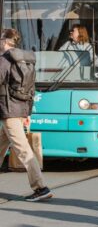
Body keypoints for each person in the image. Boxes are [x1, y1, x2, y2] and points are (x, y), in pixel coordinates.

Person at [0, 29, 53, 202]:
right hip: (18, 110)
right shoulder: (25, 59)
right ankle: (41, 187)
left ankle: (41, 188)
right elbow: (31, 89)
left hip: (9, 112)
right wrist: (27, 112)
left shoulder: (6, 59)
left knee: (23, 150)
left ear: (4, 41)